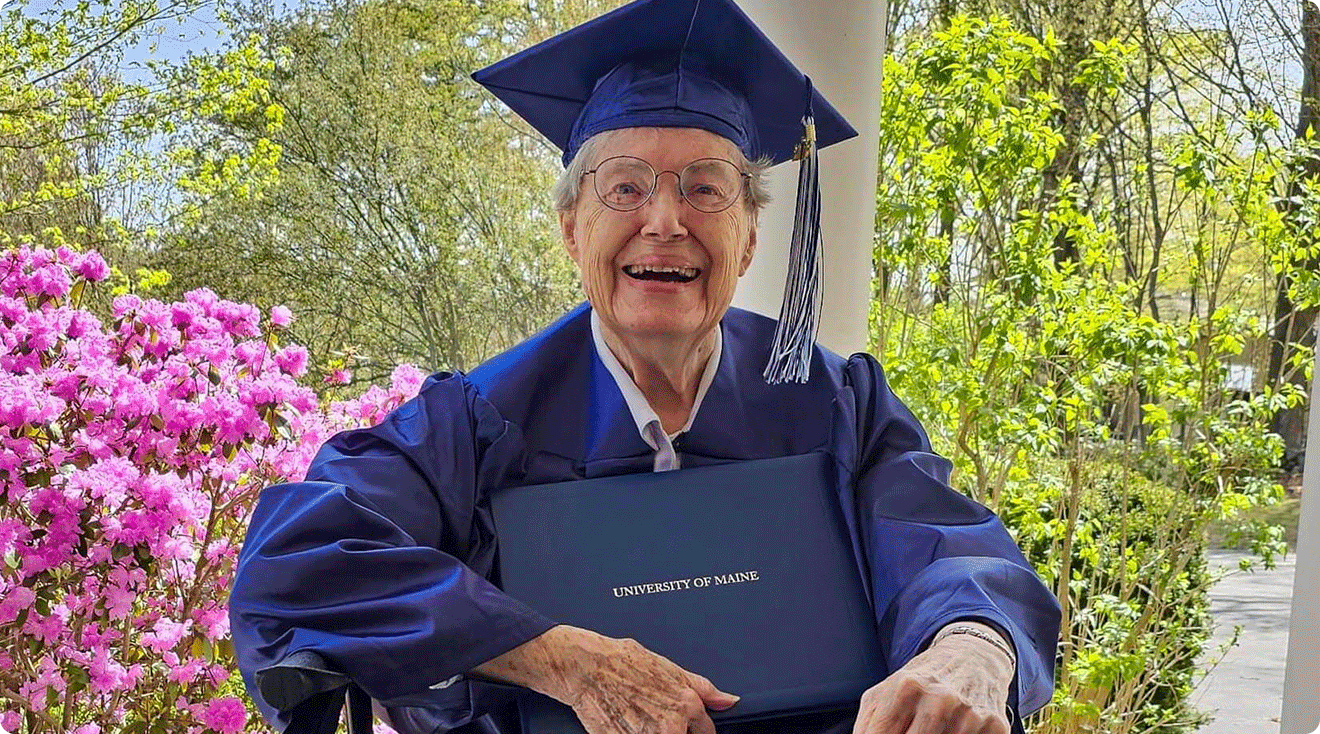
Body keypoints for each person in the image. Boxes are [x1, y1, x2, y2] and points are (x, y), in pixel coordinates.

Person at [228, 0, 1061, 733]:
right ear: (571, 230)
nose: (665, 221)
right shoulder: (475, 422)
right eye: (624, 187)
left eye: (707, 189)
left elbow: (948, 547)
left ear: (751, 240)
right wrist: (553, 655)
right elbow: (300, 561)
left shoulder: (832, 399)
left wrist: (972, 647)